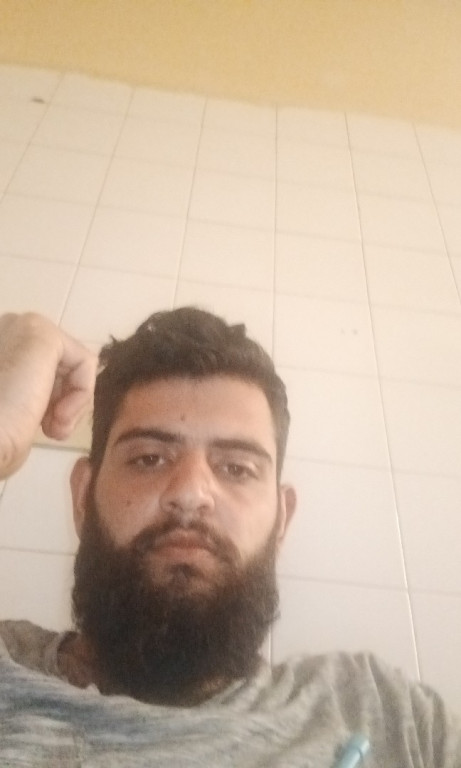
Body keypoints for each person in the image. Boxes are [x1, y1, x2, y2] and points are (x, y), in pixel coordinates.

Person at [0, 308, 460, 767]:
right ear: (83, 497)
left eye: (237, 468)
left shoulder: (390, 715)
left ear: (281, 520)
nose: (190, 494)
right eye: (149, 459)